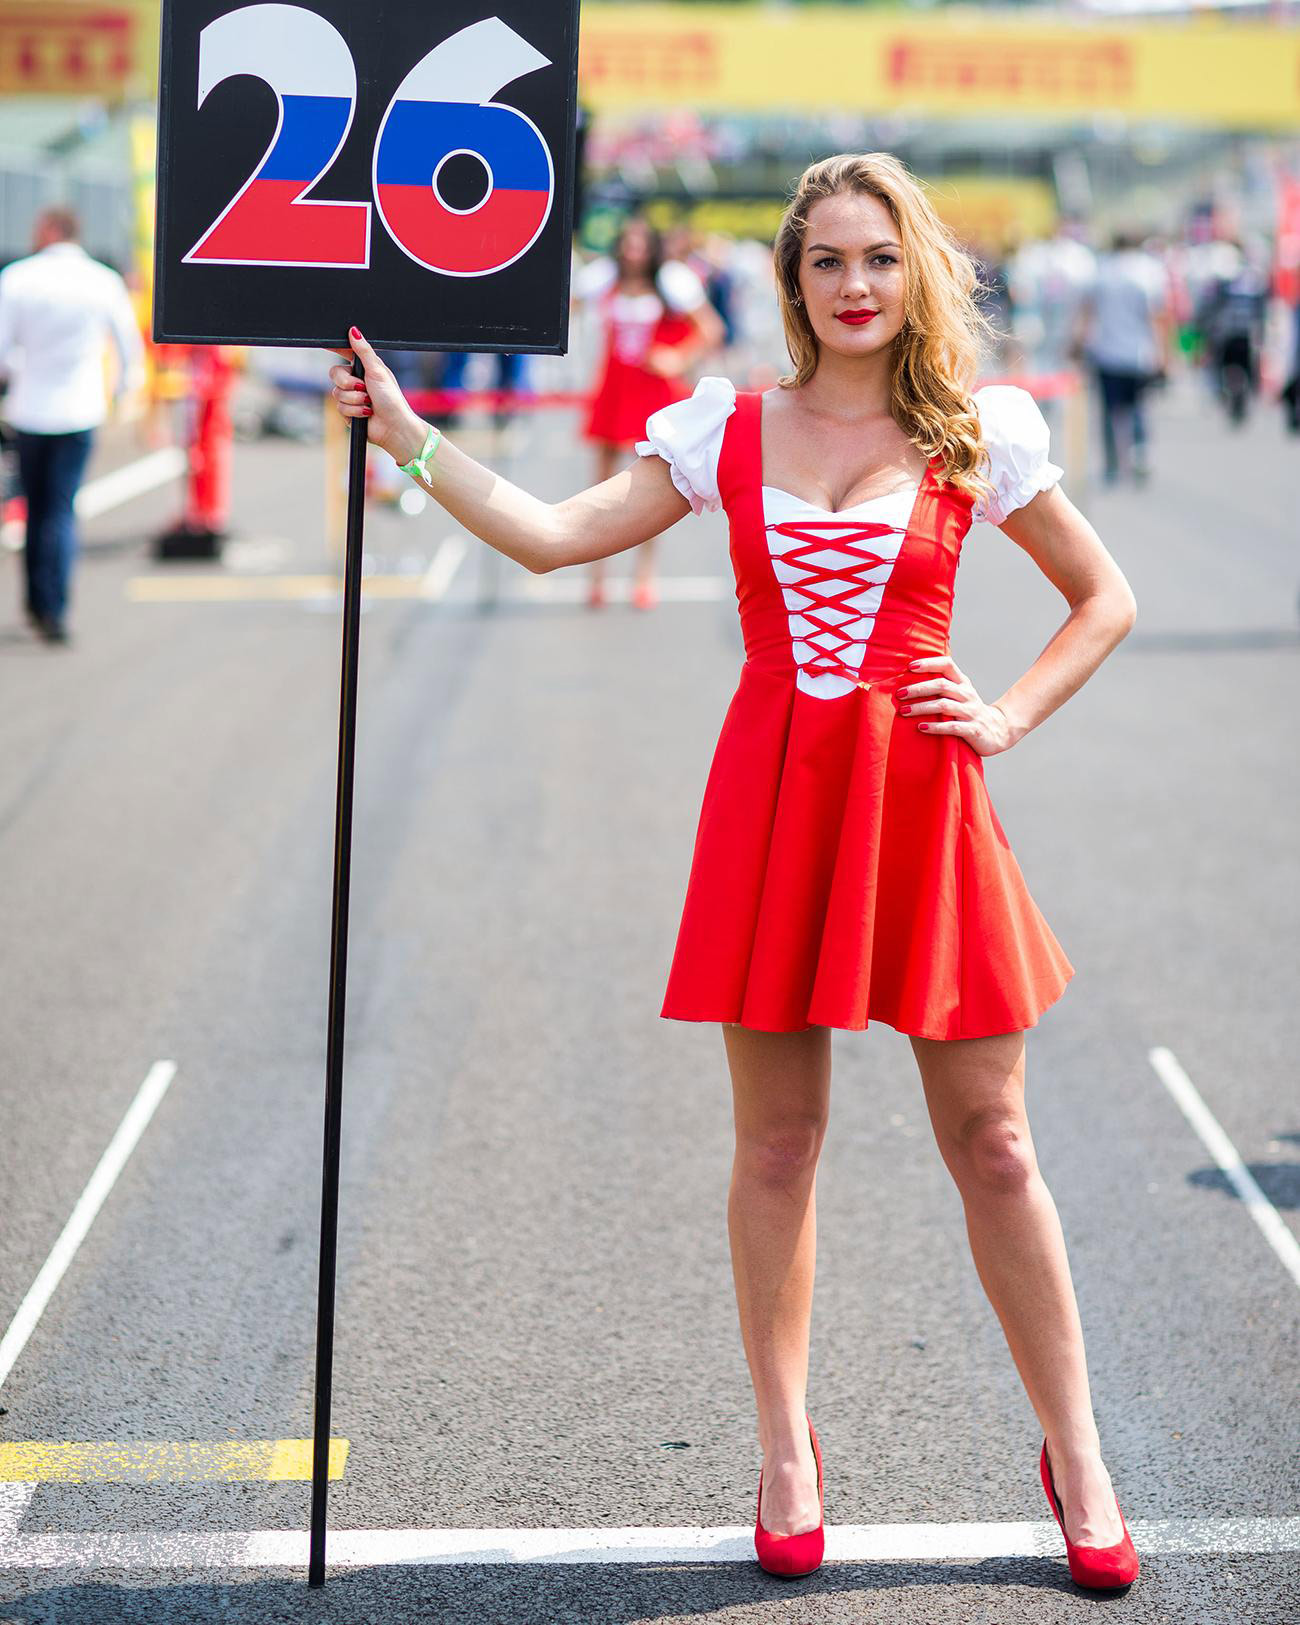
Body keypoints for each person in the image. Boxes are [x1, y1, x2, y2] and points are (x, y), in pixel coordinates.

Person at [326, 150, 1141, 1594]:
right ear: (791, 280)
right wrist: (407, 434)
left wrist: (1006, 711)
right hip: (776, 803)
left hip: (923, 803)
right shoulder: (725, 432)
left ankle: (1075, 1448)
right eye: (828, 260)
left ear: (917, 272)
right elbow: (554, 538)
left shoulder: (978, 430)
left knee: (998, 1145)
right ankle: (785, 1445)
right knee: (777, 1146)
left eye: (880, 258)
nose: (856, 285)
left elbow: (1105, 598)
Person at [0, 207, 144, 642]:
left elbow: (3, 351)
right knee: (61, 509)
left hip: (29, 409)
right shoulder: (103, 280)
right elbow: (129, 347)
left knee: (34, 506)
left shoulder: (18, 277)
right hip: (80, 410)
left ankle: (34, 599)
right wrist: (121, 395)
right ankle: (55, 608)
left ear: (49, 231)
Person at [572, 217, 723, 608]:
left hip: (652, 390)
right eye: (627, 243)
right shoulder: (604, 280)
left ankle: (644, 576)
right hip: (614, 385)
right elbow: (567, 309)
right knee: (599, 486)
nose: (632, 252)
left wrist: (676, 357)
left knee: (654, 486)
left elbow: (709, 329)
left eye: (640, 245)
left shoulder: (671, 282)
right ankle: (596, 575)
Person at [1076, 230, 1170, 485]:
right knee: (1138, 404)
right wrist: (1163, 352)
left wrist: (1079, 343)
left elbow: (1087, 312)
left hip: (1106, 351)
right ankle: (1140, 452)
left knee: (1109, 409)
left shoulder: (1101, 272)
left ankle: (1112, 463)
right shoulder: (1148, 271)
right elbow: (1156, 315)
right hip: (1139, 351)